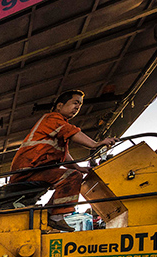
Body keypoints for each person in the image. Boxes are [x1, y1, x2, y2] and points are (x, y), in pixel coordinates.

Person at [9, 89, 117, 231]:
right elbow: (71, 132)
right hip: (29, 170)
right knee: (71, 177)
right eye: (75, 103)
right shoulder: (52, 119)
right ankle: (55, 216)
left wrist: (78, 167)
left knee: (73, 174)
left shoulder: (55, 128)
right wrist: (95, 144)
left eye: (80, 105)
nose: (77, 107)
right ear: (60, 105)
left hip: (35, 170)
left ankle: (50, 212)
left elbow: (63, 155)